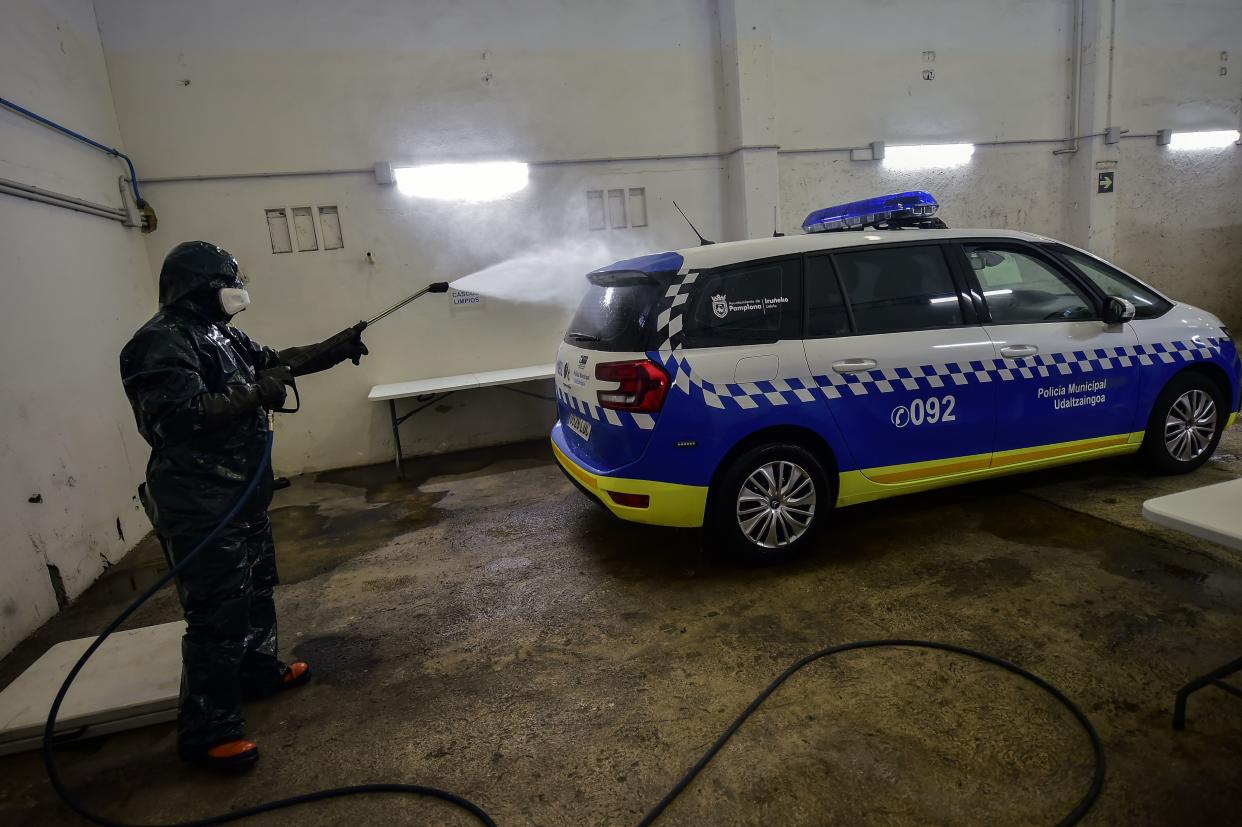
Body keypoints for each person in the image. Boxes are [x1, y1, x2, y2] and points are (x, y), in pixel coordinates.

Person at [120, 241, 369, 771]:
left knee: (255, 591)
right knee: (216, 614)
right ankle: (209, 732)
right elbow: (178, 417)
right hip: (200, 502)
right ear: (201, 286)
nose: (238, 288)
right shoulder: (159, 343)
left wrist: (334, 347)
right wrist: (259, 393)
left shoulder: (220, 333)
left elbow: (273, 364)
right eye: (229, 279)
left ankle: (257, 672)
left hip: (241, 493)